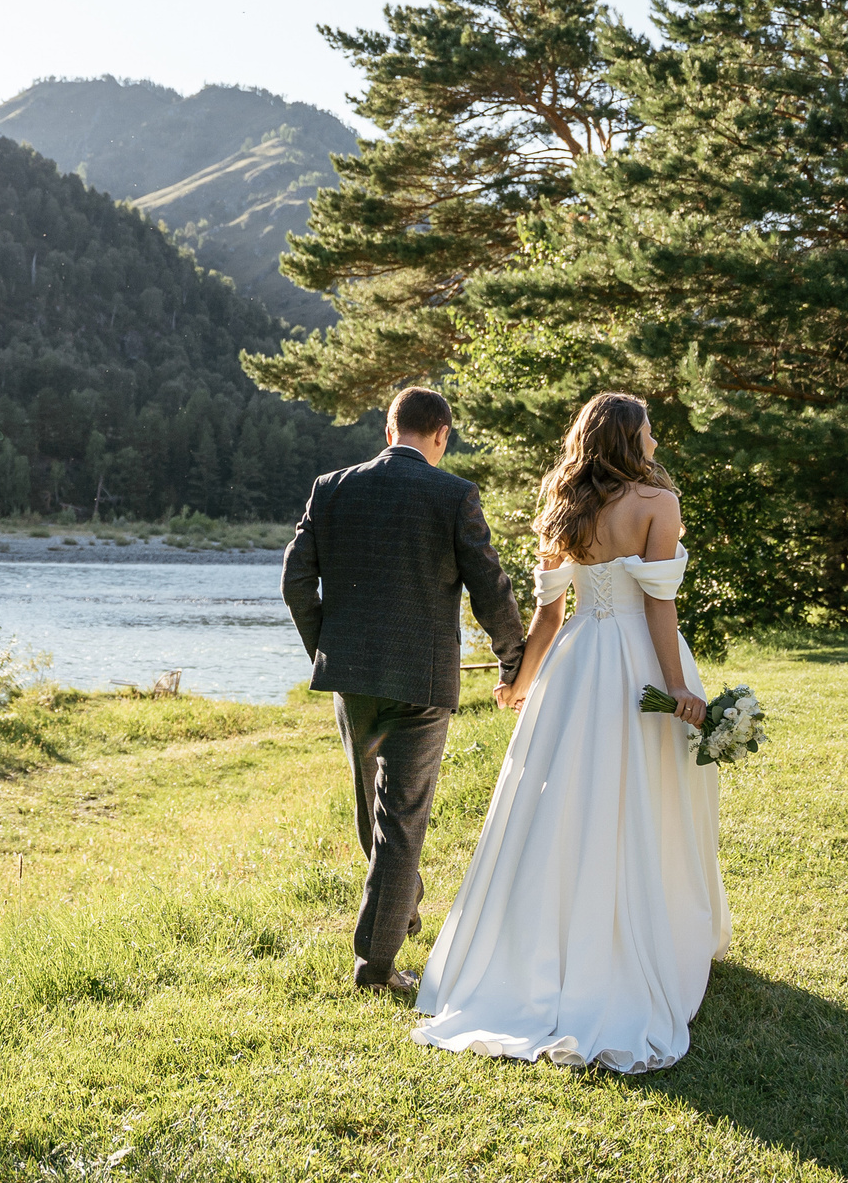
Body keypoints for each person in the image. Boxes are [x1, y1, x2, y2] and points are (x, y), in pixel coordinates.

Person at [409, 391, 732, 1073]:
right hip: (637, 661)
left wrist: (522, 680)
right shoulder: (657, 504)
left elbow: (550, 617)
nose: (653, 439)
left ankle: (555, 940)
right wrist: (676, 687)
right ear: (626, 438)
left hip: (578, 663)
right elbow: (659, 612)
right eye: (646, 430)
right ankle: (644, 936)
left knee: (566, 803)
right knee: (649, 797)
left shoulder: (566, 504)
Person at [282, 386, 525, 994]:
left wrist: (325, 646)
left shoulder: (330, 488)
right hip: (421, 685)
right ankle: (376, 966)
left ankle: (399, 905)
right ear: (440, 435)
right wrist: (513, 659)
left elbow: (295, 583)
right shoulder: (454, 495)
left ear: (390, 432)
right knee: (399, 825)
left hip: (353, 682)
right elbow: (490, 587)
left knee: (375, 811)